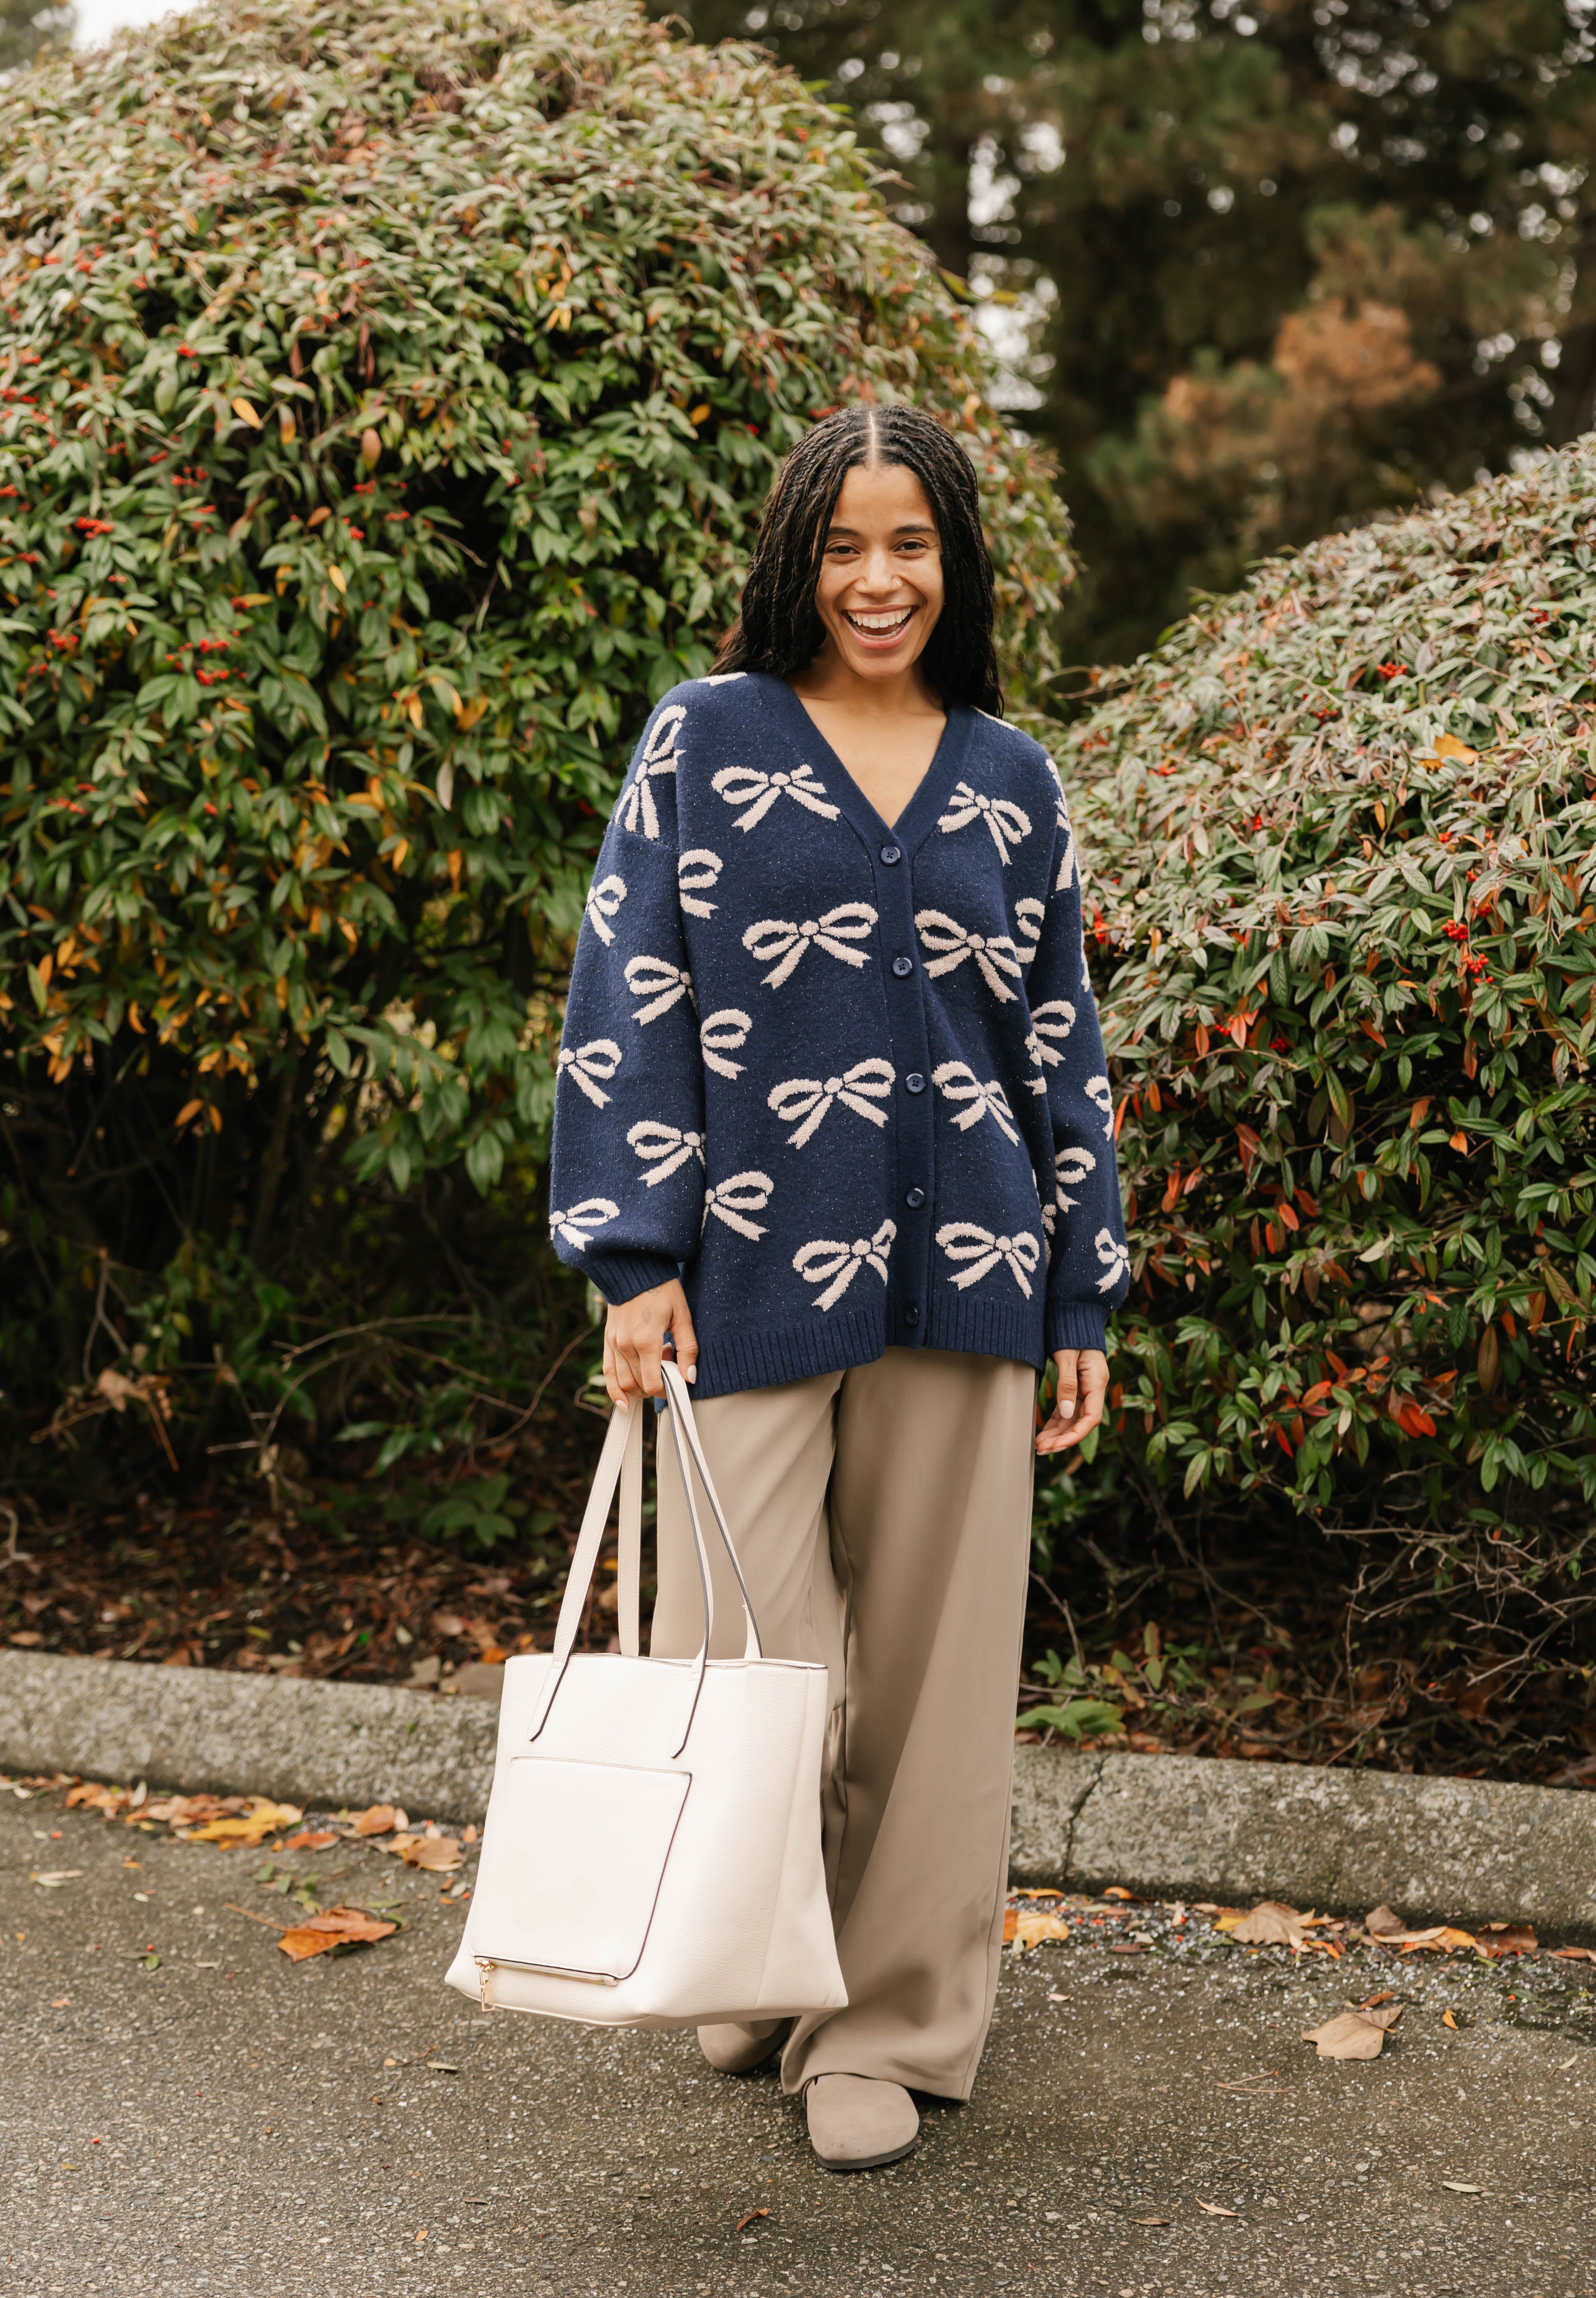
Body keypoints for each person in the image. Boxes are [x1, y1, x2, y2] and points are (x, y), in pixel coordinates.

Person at [547, 401, 1128, 2170]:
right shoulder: (707, 737)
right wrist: (630, 1260)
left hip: (973, 1278)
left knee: (944, 1682)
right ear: (797, 556)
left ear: (952, 565)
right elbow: (625, 988)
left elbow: (1059, 1043)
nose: (876, 581)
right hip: (740, 1281)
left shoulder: (1009, 774)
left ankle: (881, 2025)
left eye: (911, 546)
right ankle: (747, 1945)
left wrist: (1083, 1290)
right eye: (843, 544)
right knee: (744, 1652)